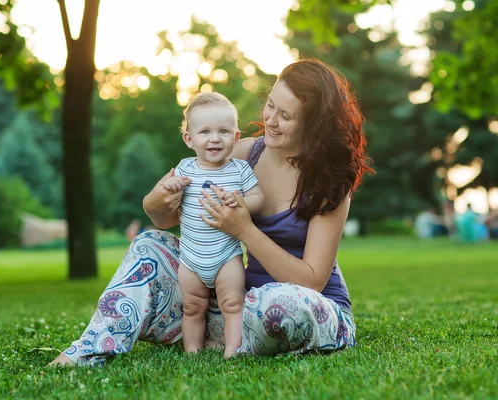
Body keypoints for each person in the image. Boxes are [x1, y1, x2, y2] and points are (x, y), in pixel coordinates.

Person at [49, 58, 373, 367]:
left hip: (309, 309)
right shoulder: (246, 154)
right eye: (271, 105)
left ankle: (222, 339)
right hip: (240, 302)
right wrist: (156, 202)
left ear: (313, 125)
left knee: (277, 305)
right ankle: (91, 349)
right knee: (149, 246)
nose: (270, 120)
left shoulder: (330, 183)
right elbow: (173, 219)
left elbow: (312, 281)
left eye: (286, 116)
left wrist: (245, 230)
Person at [160, 92, 264, 357]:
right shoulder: (184, 170)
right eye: (205, 131)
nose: (215, 138)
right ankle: (193, 351)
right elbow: (167, 196)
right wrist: (169, 186)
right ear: (189, 139)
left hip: (226, 256)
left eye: (224, 131)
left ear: (236, 137)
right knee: (192, 307)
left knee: (233, 303)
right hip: (191, 258)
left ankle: (232, 350)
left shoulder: (240, 170)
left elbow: (258, 198)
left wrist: (241, 202)